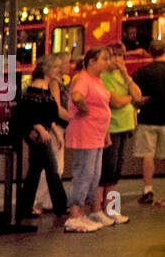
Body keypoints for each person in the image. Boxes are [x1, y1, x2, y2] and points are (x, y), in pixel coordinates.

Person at [63, 47, 114, 232]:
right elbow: (77, 96)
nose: (108, 63)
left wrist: (105, 133)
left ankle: (84, 212)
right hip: (85, 134)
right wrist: (84, 109)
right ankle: (74, 215)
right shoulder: (83, 78)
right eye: (104, 59)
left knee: (93, 175)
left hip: (97, 135)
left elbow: (103, 107)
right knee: (84, 174)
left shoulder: (97, 80)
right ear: (92, 61)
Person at [12, 57, 67, 222]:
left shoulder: (42, 88)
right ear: (47, 69)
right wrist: (40, 127)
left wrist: (54, 131)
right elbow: (28, 112)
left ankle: (25, 207)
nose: (60, 70)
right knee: (51, 169)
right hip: (37, 135)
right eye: (56, 67)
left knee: (36, 170)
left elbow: (45, 114)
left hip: (40, 134)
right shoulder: (36, 89)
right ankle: (60, 206)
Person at [97, 42, 142, 222]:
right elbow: (114, 101)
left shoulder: (121, 75)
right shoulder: (103, 77)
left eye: (121, 56)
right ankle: (100, 208)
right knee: (106, 171)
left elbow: (137, 95)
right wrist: (130, 98)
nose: (118, 60)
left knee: (116, 172)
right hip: (110, 128)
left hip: (125, 126)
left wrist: (126, 76)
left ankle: (112, 209)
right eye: (114, 56)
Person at [34, 50, 71, 213]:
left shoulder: (51, 83)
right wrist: (75, 118)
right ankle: (37, 200)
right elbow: (54, 109)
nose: (68, 66)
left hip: (52, 128)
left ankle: (47, 201)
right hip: (52, 129)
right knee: (53, 167)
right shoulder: (52, 84)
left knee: (51, 167)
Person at [132, 38, 165, 204]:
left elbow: (135, 94)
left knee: (148, 155)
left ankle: (148, 190)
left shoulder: (142, 72)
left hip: (147, 118)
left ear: (150, 53)